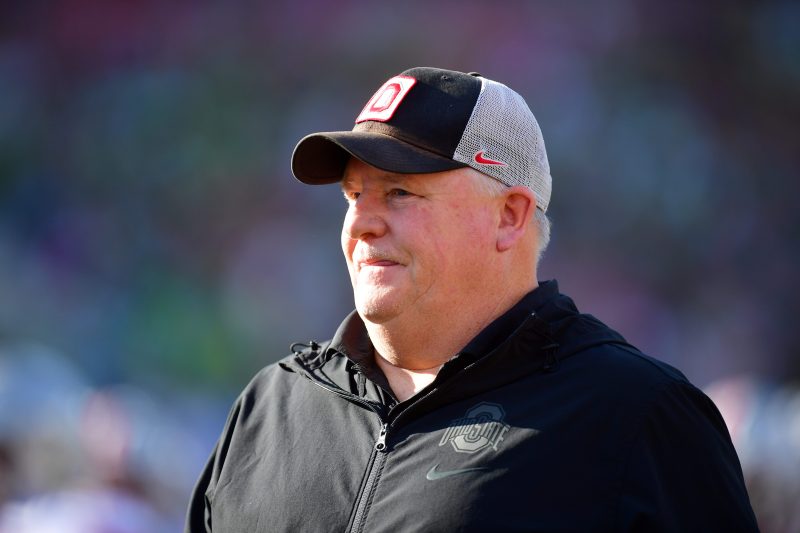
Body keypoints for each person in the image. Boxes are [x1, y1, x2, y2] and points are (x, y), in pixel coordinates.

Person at [185, 67, 758, 532]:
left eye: (399, 192)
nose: (361, 224)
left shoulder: (636, 414)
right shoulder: (271, 407)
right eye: (353, 195)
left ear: (510, 216)